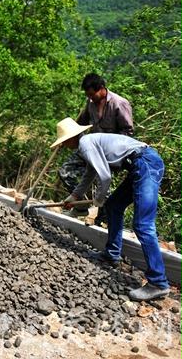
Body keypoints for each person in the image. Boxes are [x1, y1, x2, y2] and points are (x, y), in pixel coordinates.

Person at [52, 117, 169, 301]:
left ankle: (158, 283)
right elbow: (90, 174)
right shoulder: (89, 143)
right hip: (140, 165)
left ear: (69, 139)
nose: (65, 146)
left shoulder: (85, 144)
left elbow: (105, 177)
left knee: (142, 224)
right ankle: (112, 254)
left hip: (145, 163)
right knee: (113, 206)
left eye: (64, 143)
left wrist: (98, 200)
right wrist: (74, 196)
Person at [59, 73, 134, 219]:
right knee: (66, 171)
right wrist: (67, 137)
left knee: (103, 182)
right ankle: (81, 206)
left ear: (101, 88)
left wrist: (112, 151)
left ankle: (104, 219)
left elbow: (127, 132)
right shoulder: (90, 103)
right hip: (91, 147)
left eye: (92, 94)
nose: (90, 98)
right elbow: (81, 122)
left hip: (111, 151)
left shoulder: (119, 104)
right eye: (88, 95)